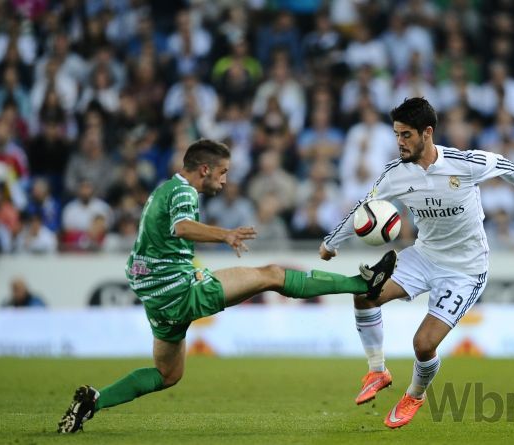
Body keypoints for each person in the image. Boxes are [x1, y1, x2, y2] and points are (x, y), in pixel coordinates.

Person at [57, 139, 396, 433]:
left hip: (159, 298)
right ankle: (362, 283)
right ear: (204, 169)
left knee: (167, 374)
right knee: (273, 275)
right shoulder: (184, 192)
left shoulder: (164, 189)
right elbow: (182, 227)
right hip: (181, 293)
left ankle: (95, 401)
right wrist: (225, 235)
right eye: (223, 172)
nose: (225, 179)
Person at [319, 98, 514, 429]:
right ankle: (378, 370)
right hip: (424, 255)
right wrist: (330, 244)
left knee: (423, 344)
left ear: (427, 133)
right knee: (364, 292)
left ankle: (415, 393)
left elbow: (503, 164)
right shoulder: (394, 174)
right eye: (396, 134)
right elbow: (363, 208)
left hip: (465, 269)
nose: (399, 142)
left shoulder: (464, 163)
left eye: (406, 135)